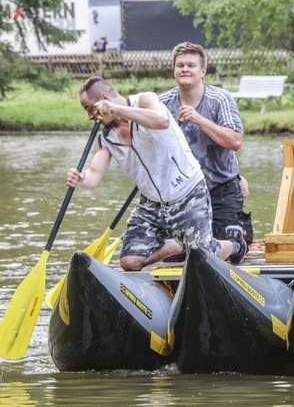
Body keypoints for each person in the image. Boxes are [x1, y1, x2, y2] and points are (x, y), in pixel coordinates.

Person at [65, 76, 247, 271]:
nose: (90, 117)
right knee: (129, 262)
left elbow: (161, 120)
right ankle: (176, 245)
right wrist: (80, 179)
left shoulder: (144, 100)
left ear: (103, 98)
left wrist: (117, 109)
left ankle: (234, 245)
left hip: (188, 192)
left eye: (89, 108)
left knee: (203, 259)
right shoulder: (106, 138)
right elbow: (92, 177)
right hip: (151, 204)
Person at [158, 42, 253, 246]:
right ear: (174, 70)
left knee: (225, 249)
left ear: (203, 71)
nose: (184, 69)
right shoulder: (162, 103)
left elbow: (235, 141)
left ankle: (240, 234)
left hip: (221, 188)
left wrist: (198, 119)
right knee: (177, 253)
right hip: (182, 192)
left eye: (191, 65)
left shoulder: (220, 99)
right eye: (180, 65)